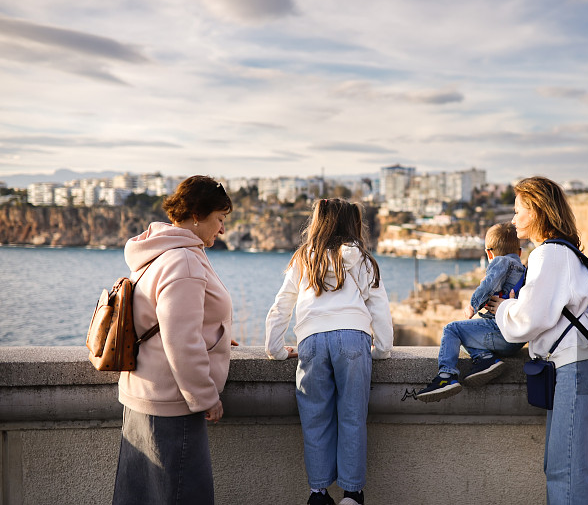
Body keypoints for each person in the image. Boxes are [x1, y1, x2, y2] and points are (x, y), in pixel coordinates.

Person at [486, 176, 588, 505]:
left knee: (566, 473)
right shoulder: (564, 253)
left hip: (574, 369)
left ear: (537, 211)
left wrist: (502, 308)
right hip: (578, 367)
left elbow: (530, 319)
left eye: (518, 211)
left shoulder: (549, 254)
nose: (513, 219)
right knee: (562, 469)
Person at [113, 175, 234, 505]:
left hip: (144, 392)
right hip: (172, 404)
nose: (222, 229)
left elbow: (161, 318)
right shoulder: (184, 260)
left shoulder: (158, 251)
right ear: (197, 214)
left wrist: (218, 335)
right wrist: (206, 397)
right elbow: (181, 340)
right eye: (219, 218)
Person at [265, 198, 393, 505]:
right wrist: (381, 349)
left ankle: (318, 493)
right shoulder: (362, 259)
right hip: (353, 338)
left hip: (311, 340)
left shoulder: (303, 258)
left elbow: (282, 305)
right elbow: (379, 306)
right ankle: (352, 494)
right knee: (352, 417)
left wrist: (275, 349)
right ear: (352, 223)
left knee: (315, 418)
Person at [416, 222, 526, 402]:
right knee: (468, 333)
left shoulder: (501, 261)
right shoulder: (524, 270)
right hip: (516, 339)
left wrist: (473, 305)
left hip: (498, 331)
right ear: (520, 252)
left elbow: (488, 285)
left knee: (453, 329)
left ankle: (446, 376)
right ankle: (485, 359)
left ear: (489, 253)